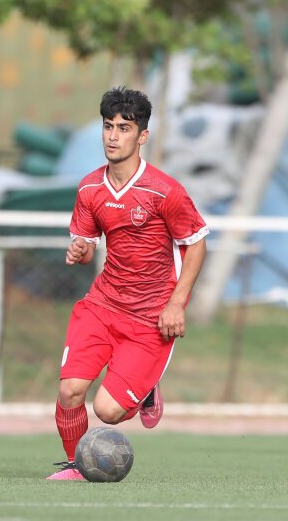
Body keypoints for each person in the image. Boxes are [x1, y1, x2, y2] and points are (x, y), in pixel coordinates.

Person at [49, 86, 210, 480]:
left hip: (150, 317)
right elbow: (87, 244)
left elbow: (197, 244)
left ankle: (147, 386)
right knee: (70, 390)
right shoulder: (90, 188)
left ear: (142, 136)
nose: (113, 136)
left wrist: (176, 304)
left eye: (124, 128)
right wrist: (80, 250)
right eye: (108, 126)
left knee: (107, 411)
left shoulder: (164, 191)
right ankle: (76, 466)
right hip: (103, 305)